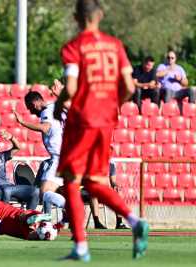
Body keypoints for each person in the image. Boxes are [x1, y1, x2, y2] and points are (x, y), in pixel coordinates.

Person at [54, 0, 149, 262]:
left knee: (72, 182)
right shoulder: (115, 46)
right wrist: (111, 105)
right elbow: (130, 87)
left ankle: (81, 247)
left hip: (82, 120)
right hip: (107, 122)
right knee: (95, 183)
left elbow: (71, 88)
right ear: (101, 15)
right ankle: (134, 221)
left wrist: (59, 103)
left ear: (76, 18)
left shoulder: (74, 47)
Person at [13, 91, 67, 215]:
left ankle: (70, 209)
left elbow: (45, 128)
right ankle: (60, 216)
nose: (31, 112)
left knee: (45, 193)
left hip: (59, 158)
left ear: (35, 102)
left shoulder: (46, 111)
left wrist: (22, 122)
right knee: (59, 190)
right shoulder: (55, 107)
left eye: (30, 108)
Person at [0, 130, 39, 210]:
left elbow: (17, 147)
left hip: (9, 186)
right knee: (6, 190)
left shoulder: (2, 156)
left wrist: (11, 137)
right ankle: (4, 219)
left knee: (35, 191)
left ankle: (29, 217)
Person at [87, 161, 129, 229]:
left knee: (117, 193)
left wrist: (115, 186)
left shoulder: (111, 164)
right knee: (93, 194)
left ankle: (119, 222)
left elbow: (113, 182)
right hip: (88, 190)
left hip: (103, 191)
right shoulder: (91, 162)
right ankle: (96, 222)